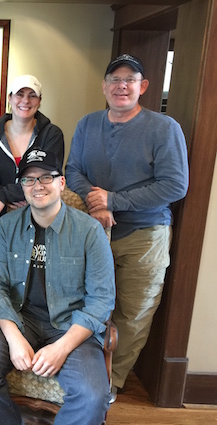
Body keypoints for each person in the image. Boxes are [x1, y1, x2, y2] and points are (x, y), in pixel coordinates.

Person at [65, 53, 189, 399]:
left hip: (144, 235)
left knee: (133, 311)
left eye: (130, 80)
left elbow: (175, 186)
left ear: (143, 87)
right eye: (115, 79)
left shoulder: (165, 129)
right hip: (92, 233)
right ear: (104, 86)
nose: (122, 86)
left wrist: (113, 201)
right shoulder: (88, 123)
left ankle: (110, 381)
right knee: (86, 303)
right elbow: (72, 169)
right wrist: (96, 200)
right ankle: (83, 372)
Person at [0, 147, 116, 425]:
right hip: (19, 318)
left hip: (71, 326)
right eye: (29, 179)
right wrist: (13, 337)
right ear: (21, 187)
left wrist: (61, 348)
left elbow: (101, 300)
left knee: (94, 395)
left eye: (46, 177)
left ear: (61, 182)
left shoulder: (89, 231)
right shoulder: (8, 226)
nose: (38, 186)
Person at [0, 74, 64, 260]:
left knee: (29, 281)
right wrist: (0, 199)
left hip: (37, 222)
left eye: (32, 95)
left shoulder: (51, 135)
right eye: (19, 94)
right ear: (10, 98)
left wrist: (4, 195)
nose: (25, 100)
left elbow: (48, 177)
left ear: (39, 101)